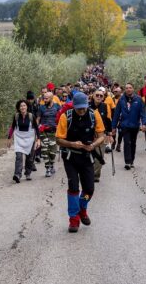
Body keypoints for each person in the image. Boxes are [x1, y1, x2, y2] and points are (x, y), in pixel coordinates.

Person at [56, 93, 105, 233]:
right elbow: (58, 139)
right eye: (79, 109)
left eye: (84, 108)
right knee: (73, 187)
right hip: (70, 157)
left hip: (87, 157)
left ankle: (82, 208)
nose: (82, 111)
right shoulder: (66, 116)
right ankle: (74, 220)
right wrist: (72, 144)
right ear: (74, 107)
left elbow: (102, 136)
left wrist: (94, 144)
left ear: (87, 105)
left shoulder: (94, 115)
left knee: (89, 189)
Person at [111, 83, 146, 170]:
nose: (128, 89)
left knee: (133, 143)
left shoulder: (138, 99)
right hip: (125, 125)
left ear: (133, 89)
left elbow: (143, 113)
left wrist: (144, 124)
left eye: (130, 88)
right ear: (125, 90)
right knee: (127, 142)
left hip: (135, 125)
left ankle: (132, 161)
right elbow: (116, 114)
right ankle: (127, 162)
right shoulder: (121, 100)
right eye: (126, 88)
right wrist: (113, 127)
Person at [7, 100, 41, 183]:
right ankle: (17, 175)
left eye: (24, 105)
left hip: (30, 139)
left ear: (27, 107)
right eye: (21, 106)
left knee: (29, 158)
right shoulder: (16, 116)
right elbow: (13, 127)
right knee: (18, 157)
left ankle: (28, 173)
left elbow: (36, 128)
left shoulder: (31, 116)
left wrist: (38, 139)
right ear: (19, 107)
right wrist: (9, 138)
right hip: (19, 139)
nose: (22, 107)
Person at [89, 89, 113, 182]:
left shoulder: (105, 106)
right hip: (89, 135)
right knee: (89, 155)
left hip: (102, 135)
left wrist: (110, 134)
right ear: (93, 96)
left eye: (101, 96)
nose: (99, 97)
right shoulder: (87, 106)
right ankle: (88, 173)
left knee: (99, 156)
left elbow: (108, 120)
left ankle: (95, 175)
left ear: (103, 97)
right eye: (97, 95)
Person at [37, 92, 61, 177]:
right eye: (44, 98)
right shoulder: (41, 107)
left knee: (52, 151)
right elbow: (38, 119)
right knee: (44, 150)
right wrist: (37, 129)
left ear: (51, 98)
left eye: (46, 98)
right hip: (43, 132)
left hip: (54, 132)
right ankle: (47, 168)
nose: (44, 99)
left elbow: (61, 118)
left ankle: (52, 165)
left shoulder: (57, 106)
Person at [111, 86, 123, 152]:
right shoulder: (112, 99)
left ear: (120, 92)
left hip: (121, 118)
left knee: (121, 132)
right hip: (113, 118)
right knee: (113, 131)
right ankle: (113, 142)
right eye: (114, 91)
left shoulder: (123, 99)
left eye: (116, 91)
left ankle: (118, 145)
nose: (115, 92)